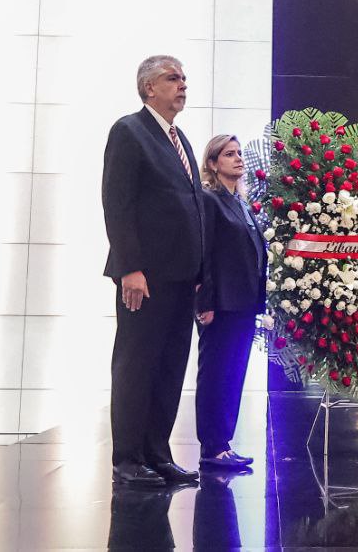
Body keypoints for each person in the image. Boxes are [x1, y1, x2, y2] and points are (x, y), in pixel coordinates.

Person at [102, 55, 204, 487]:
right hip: (146, 277)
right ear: (149, 88)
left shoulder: (179, 139)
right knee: (136, 365)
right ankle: (127, 460)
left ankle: (157, 455)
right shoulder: (129, 131)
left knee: (169, 367)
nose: (182, 85)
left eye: (183, 78)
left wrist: (200, 271)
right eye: (172, 78)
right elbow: (117, 203)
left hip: (182, 278)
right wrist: (130, 269)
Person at [195, 135, 266, 471]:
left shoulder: (241, 203)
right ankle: (212, 447)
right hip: (219, 304)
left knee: (233, 374)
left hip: (242, 303)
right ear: (212, 163)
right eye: (229, 154)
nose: (238, 159)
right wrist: (204, 300)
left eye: (239, 154)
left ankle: (223, 444)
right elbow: (204, 253)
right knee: (216, 375)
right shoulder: (210, 200)